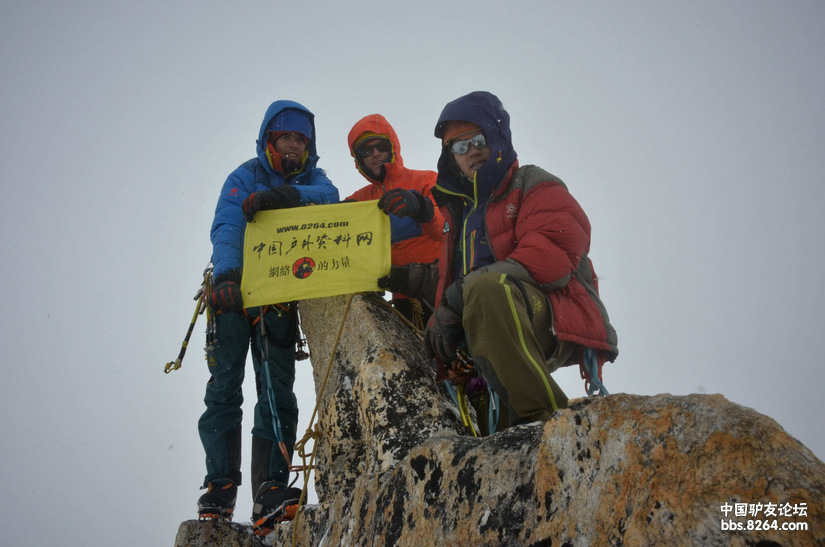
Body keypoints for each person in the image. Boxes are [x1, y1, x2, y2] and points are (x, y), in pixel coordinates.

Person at [423, 91, 618, 432]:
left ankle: (543, 422)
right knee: (469, 296)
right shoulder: (459, 213)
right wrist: (397, 278)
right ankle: (500, 432)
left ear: (497, 137)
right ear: (451, 157)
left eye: (478, 139)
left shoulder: (531, 183)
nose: (471, 152)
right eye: (459, 146)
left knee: (486, 289)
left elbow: (554, 249)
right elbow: (452, 276)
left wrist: (458, 296)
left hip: (543, 312)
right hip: (488, 323)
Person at [197, 100, 338, 526]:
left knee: (277, 391)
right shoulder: (244, 176)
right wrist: (226, 276)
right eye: (286, 137)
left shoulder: (314, 179)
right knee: (224, 388)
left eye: (301, 139)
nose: (294, 146)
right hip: (234, 292)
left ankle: (270, 490)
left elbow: (330, 199)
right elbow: (228, 224)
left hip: (276, 295)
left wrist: (288, 195)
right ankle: (219, 487)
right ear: (269, 140)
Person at [344, 114, 444, 327]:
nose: (375, 153)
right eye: (366, 150)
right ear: (358, 159)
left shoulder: (427, 180)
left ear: (392, 147)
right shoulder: (357, 199)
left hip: (438, 287)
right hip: (398, 297)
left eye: (380, 145)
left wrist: (423, 208)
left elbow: (445, 229)